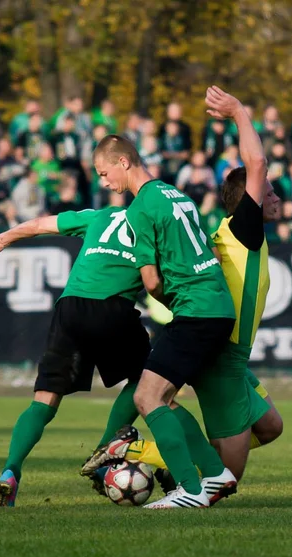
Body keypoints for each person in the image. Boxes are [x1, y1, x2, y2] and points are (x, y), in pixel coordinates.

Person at [86, 87, 285, 495]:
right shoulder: (244, 230)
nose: (275, 195)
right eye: (267, 191)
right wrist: (239, 112)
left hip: (226, 344)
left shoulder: (229, 234)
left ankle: (172, 462)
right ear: (248, 199)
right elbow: (257, 160)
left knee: (271, 426)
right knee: (224, 477)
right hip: (220, 347)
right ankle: (144, 453)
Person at [82, 132, 238, 509]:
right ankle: (216, 474)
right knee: (162, 398)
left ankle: (191, 489)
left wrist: (174, 297)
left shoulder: (140, 209)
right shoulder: (176, 194)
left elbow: (151, 282)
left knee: (146, 396)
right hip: (216, 306)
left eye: (104, 173)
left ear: (123, 162)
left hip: (196, 311)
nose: (104, 183)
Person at [0, 201, 150, 507]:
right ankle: (104, 452)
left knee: (45, 399)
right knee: (148, 380)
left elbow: (40, 224)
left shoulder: (99, 216)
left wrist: (4, 238)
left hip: (71, 307)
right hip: (112, 305)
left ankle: (11, 470)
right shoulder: (153, 222)